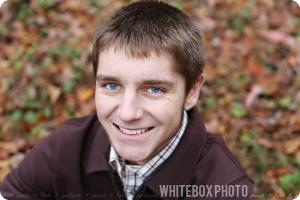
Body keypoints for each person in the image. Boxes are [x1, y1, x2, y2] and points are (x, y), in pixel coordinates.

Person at [0, 0, 255, 199]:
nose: (127, 113)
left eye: (154, 89)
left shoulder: (225, 188)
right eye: (112, 85)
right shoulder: (66, 147)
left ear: (191, 92)